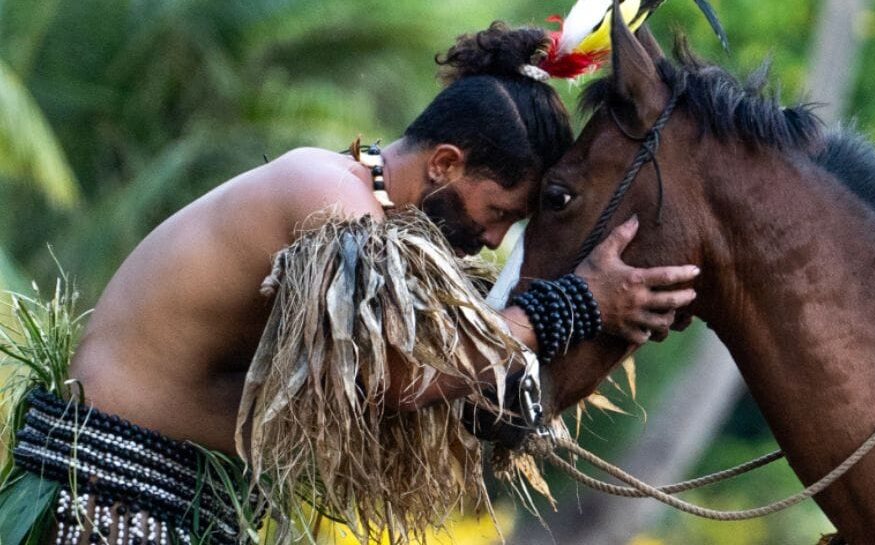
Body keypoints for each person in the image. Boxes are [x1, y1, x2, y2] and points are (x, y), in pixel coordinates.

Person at [0, 23, 697, 545]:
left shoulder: (364, 211)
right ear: (447, 164)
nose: (491, 239)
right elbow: (395, 373)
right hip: (106, 496)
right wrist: (575, 302)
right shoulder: (325, 192)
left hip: (167, 496)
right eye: (499, 213)